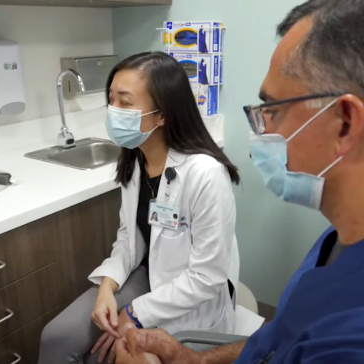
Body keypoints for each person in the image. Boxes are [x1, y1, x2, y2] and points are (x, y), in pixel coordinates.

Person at [116, 1, 364, 363]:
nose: (261, 130)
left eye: (273, 110)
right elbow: (280, 340)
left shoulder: (348, 341)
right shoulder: (335, 243)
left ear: (344, 121)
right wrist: (195, 359)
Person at [38, 52, 241, 364]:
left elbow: (206, 276)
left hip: (192, 300)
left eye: (125, 102)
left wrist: (133, 313)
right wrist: (107, 286)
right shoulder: (136, 161)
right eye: (111, 100)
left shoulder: (205, 174)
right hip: (148, 275)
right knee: (58, 336)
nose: (114, 111)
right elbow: (128, 238)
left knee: (101, 358)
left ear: (163, 114)